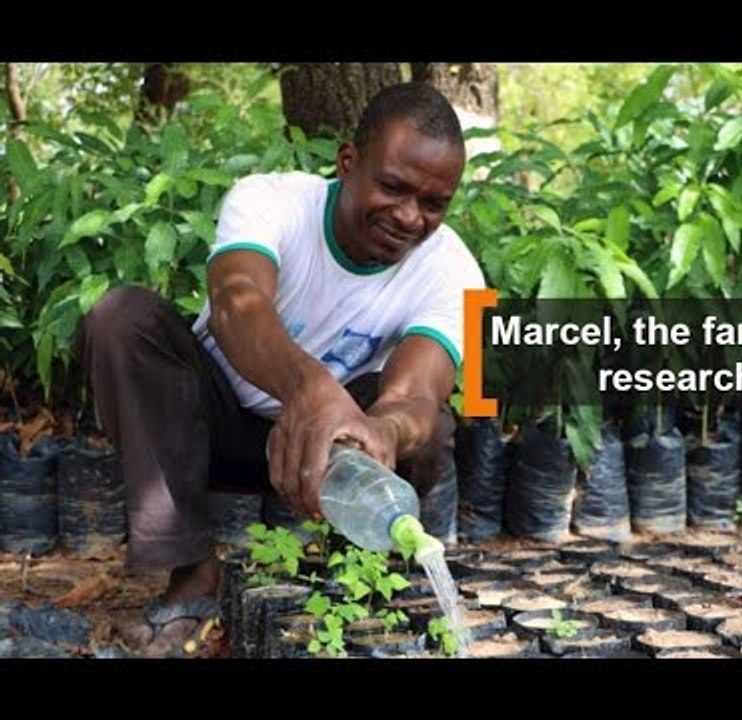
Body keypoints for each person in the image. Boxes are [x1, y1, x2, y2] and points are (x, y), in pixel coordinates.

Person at [76, 82, 484, 655]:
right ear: (348, 162)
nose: (409, 216)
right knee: (121, 317)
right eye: (392, 187)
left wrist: (384, 428)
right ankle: (192, 577)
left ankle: (348, 581)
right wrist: (308, 388)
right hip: (205, 428)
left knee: (433, 430)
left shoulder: (457, 272)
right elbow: (235, 305)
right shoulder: (270, 200)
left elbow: (418, 392)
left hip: (331, 458)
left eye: (434, 203)